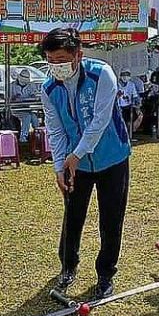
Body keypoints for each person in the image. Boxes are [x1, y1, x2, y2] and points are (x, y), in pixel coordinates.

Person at [40, 27, 131, 299]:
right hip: (74, 164)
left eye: (61, 60)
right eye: (51, 61)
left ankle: (105, 273)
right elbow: (54, 130)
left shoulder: (101, 74)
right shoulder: (49, 88)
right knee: (73, 216)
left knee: (111, 218)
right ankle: (68, 266)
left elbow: (100, 121)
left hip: (112, 158)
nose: (56, 66)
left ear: (78, 55)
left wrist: (76, 154)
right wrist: (59, 167)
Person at [11, 68, 40, 142]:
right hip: (15, 109)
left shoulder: (31, 85)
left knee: (34, 118)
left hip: (27, 108)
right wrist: (14, 97)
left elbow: (35, 95)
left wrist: (34, 96)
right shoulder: (11, 86)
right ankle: (23, 137)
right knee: (27, 117)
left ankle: (38, 135)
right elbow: (8, 98)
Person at [117, 69, 140, 134]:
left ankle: (131, 132)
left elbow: (135, 96)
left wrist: (137, 105)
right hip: (119, 106)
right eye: (124, 74)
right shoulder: (117, 84)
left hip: (128, 106)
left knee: (138, 116)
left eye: (127, 75)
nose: (125, 76)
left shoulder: (131, 84)